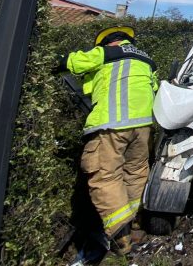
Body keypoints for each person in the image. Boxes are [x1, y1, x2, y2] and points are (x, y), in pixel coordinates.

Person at [57, 26, 158, 256]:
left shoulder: (105, 54)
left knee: (104, 175)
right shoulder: (147, 61)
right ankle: (134, 226)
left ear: (107, 43)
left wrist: (54, 62)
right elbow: (155, 88)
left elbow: (74, 62)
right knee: (136, 172)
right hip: (143, 127)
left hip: (111, 126)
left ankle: (120, 236)